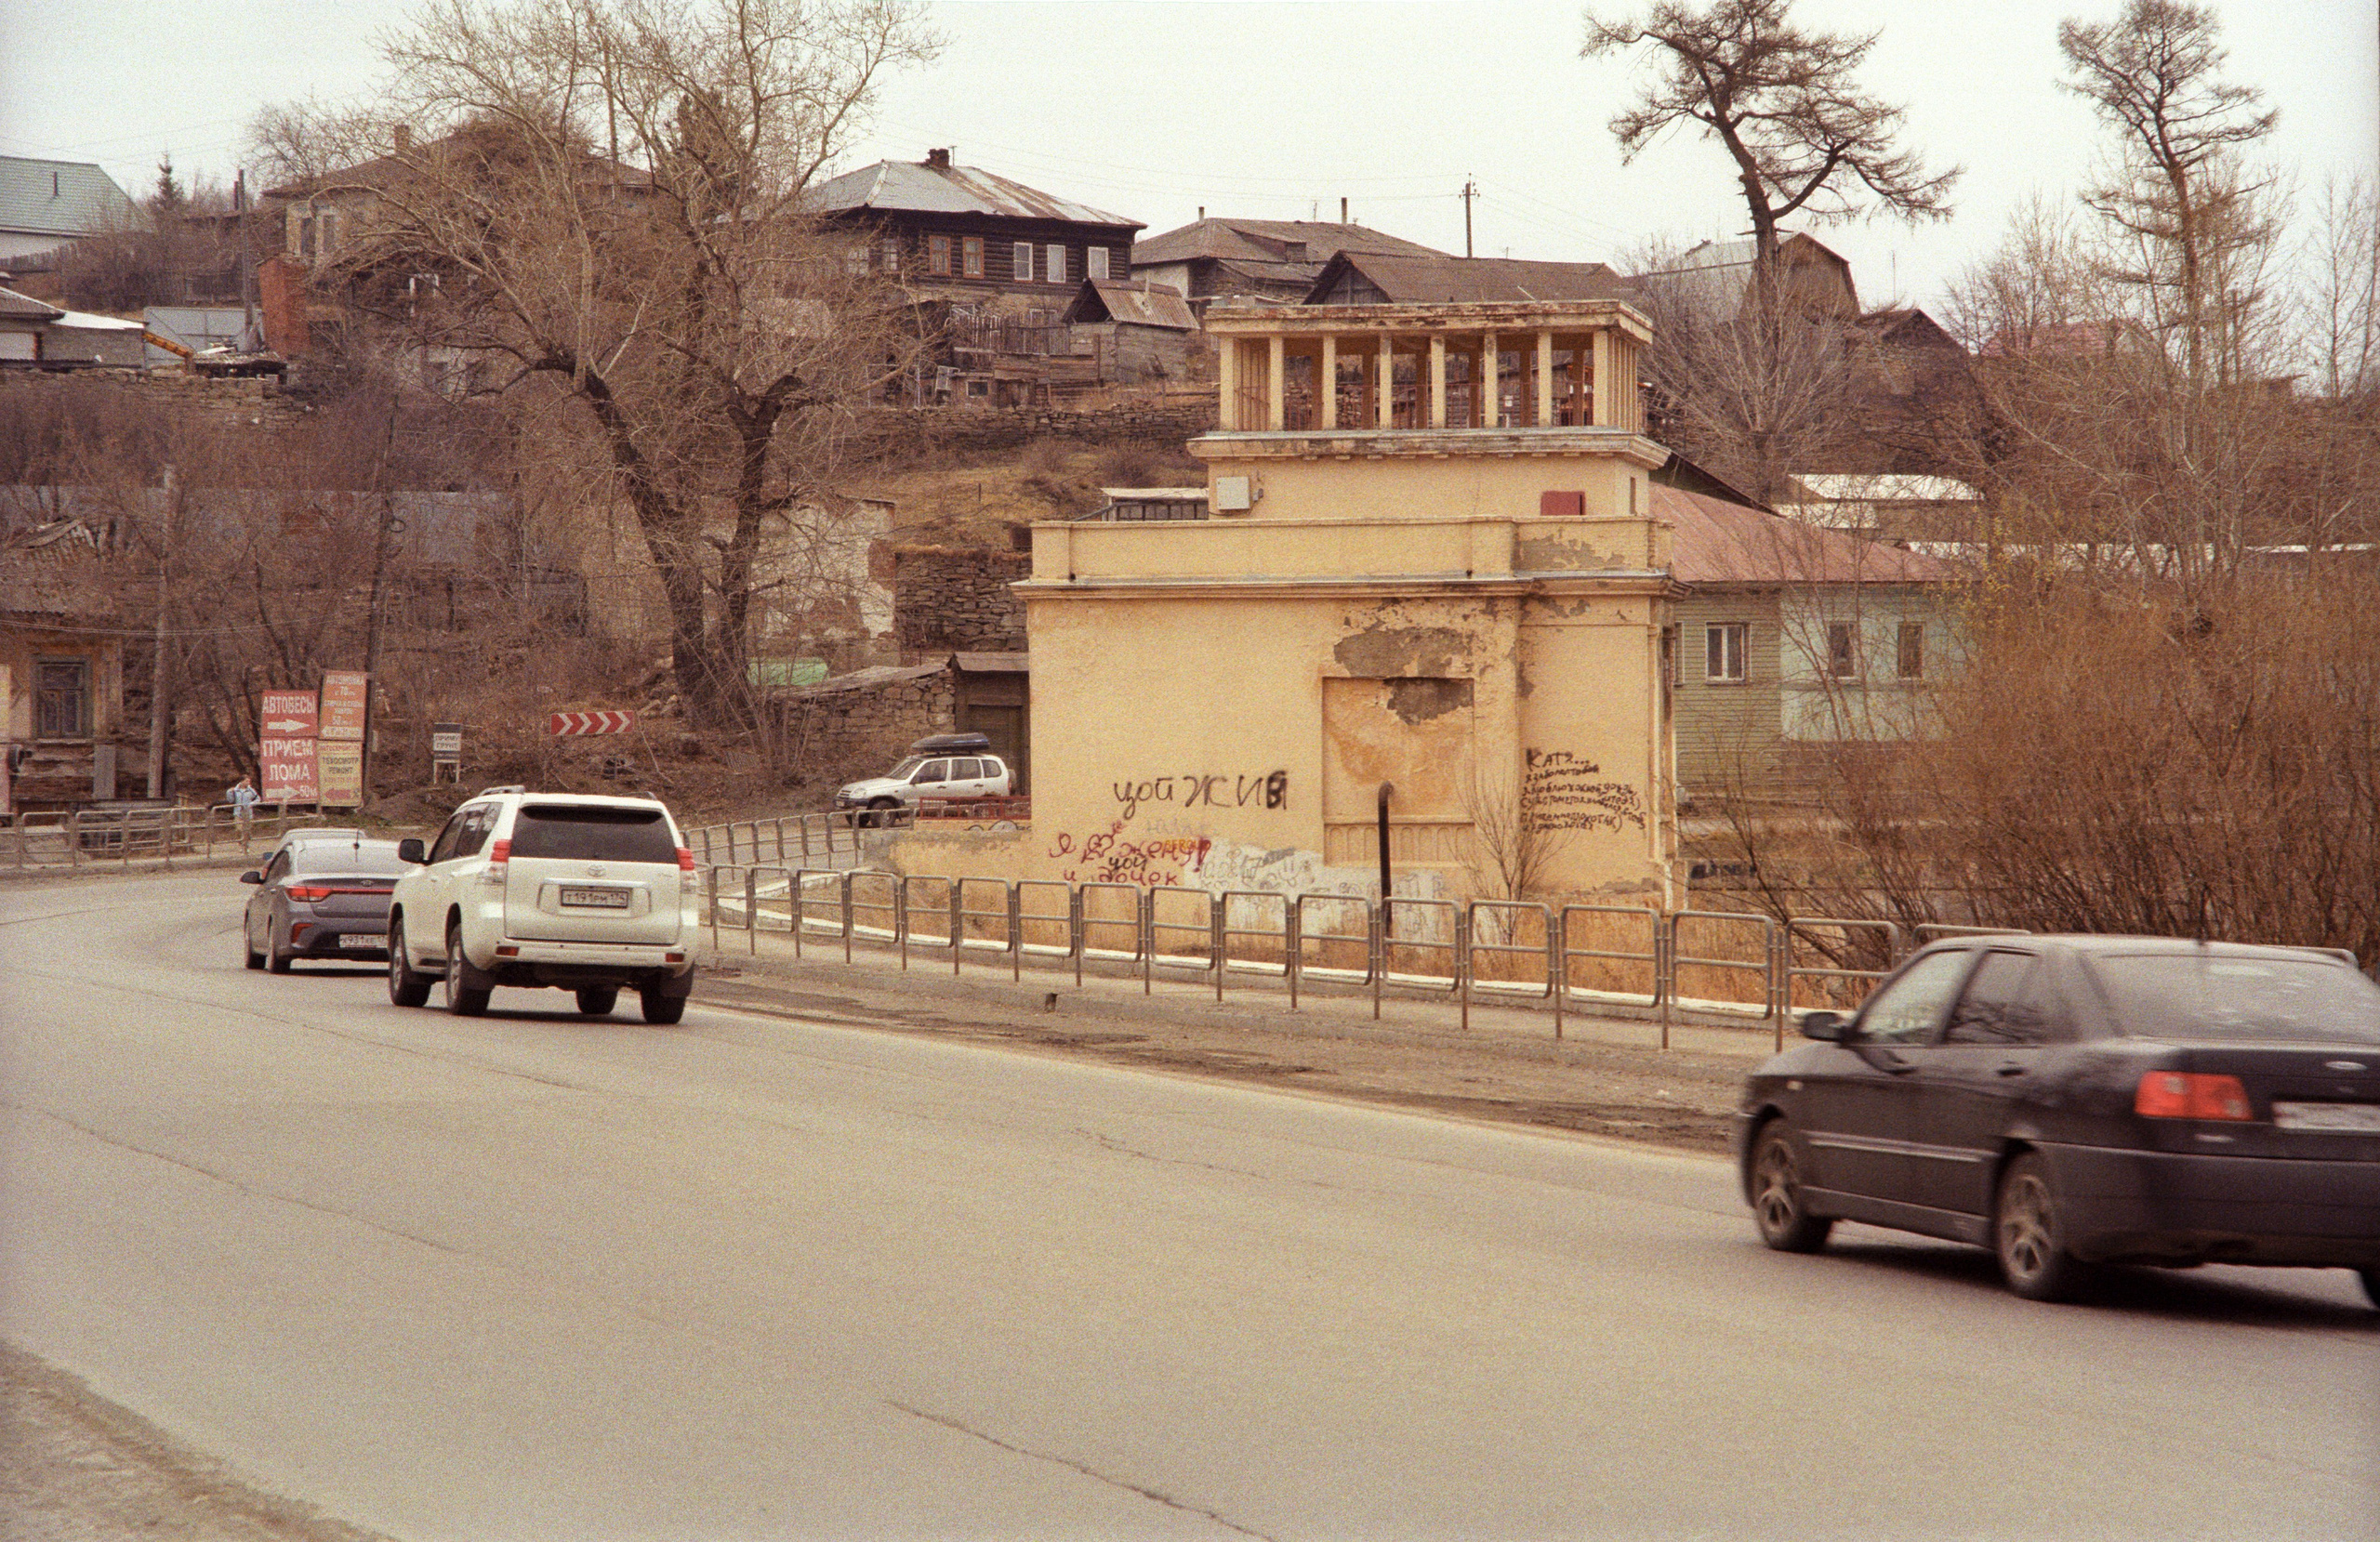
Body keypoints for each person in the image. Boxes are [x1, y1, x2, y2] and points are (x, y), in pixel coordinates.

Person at [227, 775, 259, 850]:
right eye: (246, 781)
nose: (248, 783)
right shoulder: (235, 790)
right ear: (241, 781)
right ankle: (240, 843)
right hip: (238, 813)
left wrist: (251, 804)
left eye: (249, 781)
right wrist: (229, 792)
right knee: (239, 829)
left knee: (247, 830)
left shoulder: (251, 790)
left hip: (248, 813)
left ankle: (245, 846)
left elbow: (258, 798)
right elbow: (231, 800)